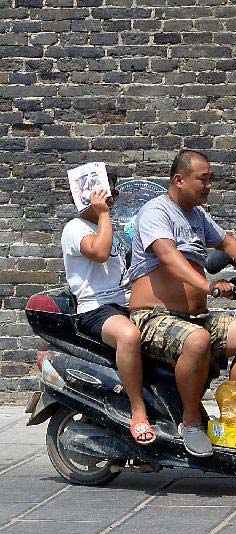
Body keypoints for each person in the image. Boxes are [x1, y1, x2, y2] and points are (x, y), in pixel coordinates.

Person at [129, 150, 236, 458]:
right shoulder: (156, 212)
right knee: (198, 341)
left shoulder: (197, 215)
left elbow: (227, 243)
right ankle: (191, 421)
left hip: (195, 316)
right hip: (153, 317)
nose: (209, 185)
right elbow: (169, 257)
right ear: (179, 180)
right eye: (203, 179)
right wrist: (208, 285)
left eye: (210, 179)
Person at [61, 178, 155, 445]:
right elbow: (99, 252)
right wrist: (102, 213)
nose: (111, 197)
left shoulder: (109, 226)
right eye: (104, 191)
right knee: (128, 336)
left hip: (123, 303)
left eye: (112, 191)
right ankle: (138, 412)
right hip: (96, 307)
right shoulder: (75, 228)